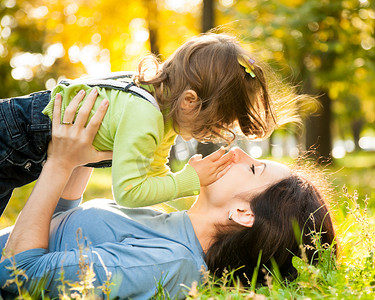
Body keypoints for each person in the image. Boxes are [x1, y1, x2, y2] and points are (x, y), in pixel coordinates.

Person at [0, 90, 336, 299]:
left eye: (252, 168)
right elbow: (62, 231)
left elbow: (18, 273)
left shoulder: (164, 264)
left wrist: (59, 163)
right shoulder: (165, 224)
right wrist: (86, 155)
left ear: (242, 213)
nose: (236, 153)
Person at [0, 32, 302, 216]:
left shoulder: (164, 117)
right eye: (214, 123)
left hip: (23, 151)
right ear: (189, 101)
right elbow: (129, 192)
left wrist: (180, 197)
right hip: (11, 136)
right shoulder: (144, 117)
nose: (212, 133)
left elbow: (154, 175)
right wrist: (190, 180)